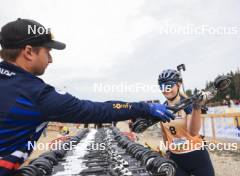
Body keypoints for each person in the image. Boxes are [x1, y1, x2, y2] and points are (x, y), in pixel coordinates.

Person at [0, 18, 174, 175]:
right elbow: (95, 111)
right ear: (29, 52)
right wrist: (145, 107)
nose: (51, 59)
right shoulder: (35, 93)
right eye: (48, 52)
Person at [158, 69, 215, 176]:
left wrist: (196, 107)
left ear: (179, 84)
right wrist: (167, 151)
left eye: (169, 85)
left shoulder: (188, 104)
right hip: (176, 159)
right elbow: (165, 134)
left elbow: (193, 132)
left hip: (196, 156)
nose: (166, 90)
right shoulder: (162, 108)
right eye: (162, 86)